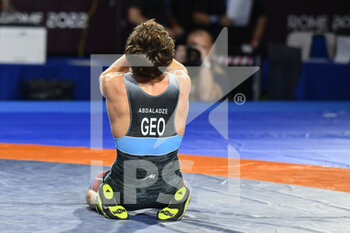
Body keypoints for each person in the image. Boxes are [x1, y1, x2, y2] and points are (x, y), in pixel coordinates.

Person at [86, 20, 191, 221]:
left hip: (124, 191)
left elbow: (107, 74)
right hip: (167, 189)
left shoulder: (113, 84)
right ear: (167, 56)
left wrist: (136, 54)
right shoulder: (183, 82)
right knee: (180, 182)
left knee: (95, 184)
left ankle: (103, 199)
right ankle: (178, 195)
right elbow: (178, 67)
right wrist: (157, 54)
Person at [193, 0, 267, 55]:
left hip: (241, 41)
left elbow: (261, 16)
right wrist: (217, 20)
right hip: (215, 40)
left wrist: (255, 41)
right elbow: (196, 16)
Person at [176, 29, 230, 101]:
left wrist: (205, 62)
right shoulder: (179, 69)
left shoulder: (219, 74)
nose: (197, 51)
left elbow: (206, 97)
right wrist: (174, 62)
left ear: (212, 49)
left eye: (203, 47)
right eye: (193, 47)